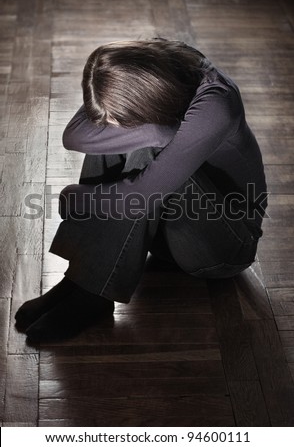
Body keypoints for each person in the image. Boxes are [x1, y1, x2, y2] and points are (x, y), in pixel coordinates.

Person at [15, 38, 268, 343]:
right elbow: (74, 136)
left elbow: (144, 194)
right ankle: (81, 279)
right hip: (169, 234)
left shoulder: (217, 106)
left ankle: (92, 294)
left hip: (226, 246)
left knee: (140, 147)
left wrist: (76, 197)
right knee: (116, 130)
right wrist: (153, 130)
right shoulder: (164, 71)